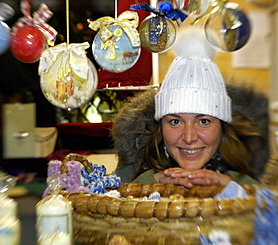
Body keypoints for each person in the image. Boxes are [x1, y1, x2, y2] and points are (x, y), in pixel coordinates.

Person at [112, 26, 267, 187]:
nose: (189, 137)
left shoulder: (250, 184)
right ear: (160, 128)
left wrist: (234, 191)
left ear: (222, 128)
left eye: (204, 121)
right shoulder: (128, 178)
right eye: (175, 122)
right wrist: (149, 184)